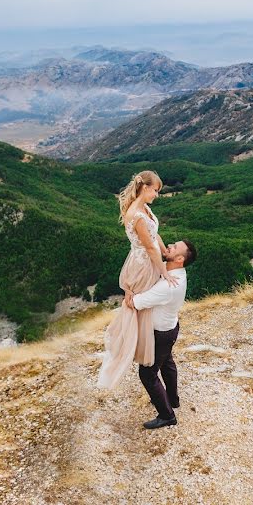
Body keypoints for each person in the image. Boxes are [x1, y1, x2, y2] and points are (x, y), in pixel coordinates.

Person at [96, 171, 178, 390]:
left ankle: (156, 349)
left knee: (148, 305)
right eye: (155, 190)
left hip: (148, 260)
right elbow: (149, 247)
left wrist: (165, 252)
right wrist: (164, 270)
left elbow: (155, 237)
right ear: (144, 187)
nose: (157, 195)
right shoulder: (136, 214)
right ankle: (140, 349)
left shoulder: (145, 210)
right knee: (141, 307)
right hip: (143, 265)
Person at [126, 239, 197, 430]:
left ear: (180, 258)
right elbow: (154, 239)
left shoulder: (168, 285)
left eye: (174, 247)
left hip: (161, 334)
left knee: (147, 373)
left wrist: (128, 293)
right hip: (170, 328)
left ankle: (167, 415)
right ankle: (172, 400)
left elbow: (137, 303)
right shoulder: (174, 270)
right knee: (167, 363)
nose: (169, 247)